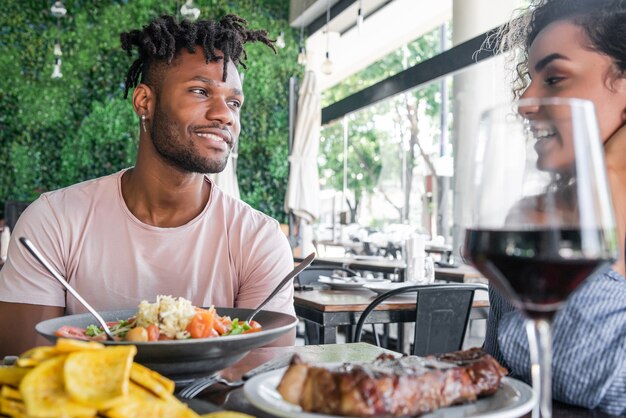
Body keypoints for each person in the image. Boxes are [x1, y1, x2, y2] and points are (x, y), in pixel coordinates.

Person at [0, 14, 296, 356]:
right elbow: (26, 369)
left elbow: (262, 378)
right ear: (144, 102)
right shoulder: (53, 221)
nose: (226, 115)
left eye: (234, 103)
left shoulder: (258, 239)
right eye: (201, 91)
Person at [483, 0, 626, 414]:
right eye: (529, 79)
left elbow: (600, 379)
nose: (525, 102)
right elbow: (501, 379)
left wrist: (612, 178)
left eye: (555, 77)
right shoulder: (531, 222)